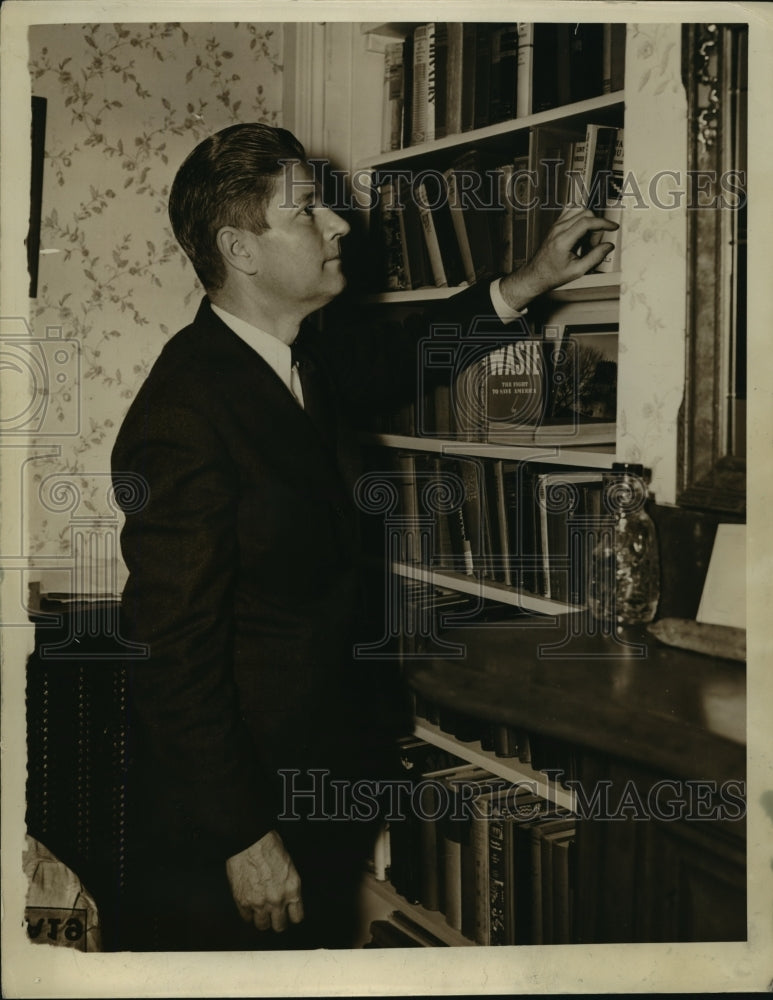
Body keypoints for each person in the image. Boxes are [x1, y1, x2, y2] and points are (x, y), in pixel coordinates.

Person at [111, 122, 616, 951]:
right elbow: (169, 652)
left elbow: (404, 357)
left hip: (320, 780)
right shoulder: (184, 413)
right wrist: (243, 836)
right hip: (241, 821)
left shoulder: (298, 359)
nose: (339, 223)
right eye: (308, 211)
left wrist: (528, 280)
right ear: (240, 248)